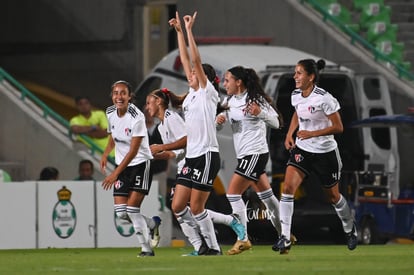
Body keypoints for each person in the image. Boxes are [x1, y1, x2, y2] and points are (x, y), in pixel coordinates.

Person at [146, 88, 245, 256]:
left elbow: (188, 139)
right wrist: (155, 154)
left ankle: (211, 241)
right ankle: (202, 245)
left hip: (193, 162)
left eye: (149, 103)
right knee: (182, 208)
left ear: (159, 102)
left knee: (186, 207)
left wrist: (161, 147)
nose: (147, 107)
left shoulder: (171, 118)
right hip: (183, 165)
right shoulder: (162, 126)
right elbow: (176, 152)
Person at [274, 59, 357, 254]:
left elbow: (338, 127)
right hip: (303, 150)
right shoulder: (296, 95)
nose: (295, 76)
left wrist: (311, 133)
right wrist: (289, 133)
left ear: (311, 77)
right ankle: (285, 237)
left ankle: (349, 228)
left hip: (325, 153)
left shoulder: (324, 98)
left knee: (333, 197)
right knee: (287, 188)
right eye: (295, 72)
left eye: (299, 73)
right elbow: (298, 113)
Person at [209, 66, 284, 255]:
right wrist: (218, 122)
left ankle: (243, 238)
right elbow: (220, 124)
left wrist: (260, 113)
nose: (224, 84)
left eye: (227, 80)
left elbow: (276, 123)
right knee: (267, 197)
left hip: (255, 153)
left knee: (233, 193)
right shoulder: (230, 101)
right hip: (245, 155)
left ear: (238, 82)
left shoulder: (255, 99)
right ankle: (285, 233)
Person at [165, 11, 222, 255]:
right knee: (178, 204)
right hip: (192, 157)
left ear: (204, 78)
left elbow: (195, 61)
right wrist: (178, 32)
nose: (189, 74)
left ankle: (213, 248)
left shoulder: (208, 94)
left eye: (194, 73)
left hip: (208, 155)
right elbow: (187, 60)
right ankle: (200, 245)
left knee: (197, 206)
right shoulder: (191, 96)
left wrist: (189, 30)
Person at [100, 80, 161, 257]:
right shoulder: (110, 112)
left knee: (132, 210)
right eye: (116, 93)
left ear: (129, 96)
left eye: (123, 93)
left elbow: (134, 151)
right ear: (112, 96)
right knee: (121, 213)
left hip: (141, 164)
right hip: (123, 166)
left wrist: (114, 174)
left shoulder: (137, 117)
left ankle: (146, 249)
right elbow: (113, 137)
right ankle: (151, 224)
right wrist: (105, 154)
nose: (119, 96)